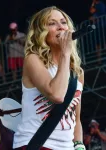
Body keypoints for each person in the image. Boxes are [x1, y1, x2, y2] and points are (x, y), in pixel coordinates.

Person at [13, 6, 85, 150]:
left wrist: (79, 145)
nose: (60, 27)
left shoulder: (77, 73)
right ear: (41, 33)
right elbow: (57, 95)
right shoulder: (33, 60)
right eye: (52, 23)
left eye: (63, 22)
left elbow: (75, 118)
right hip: (37, 144)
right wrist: (65, 53)